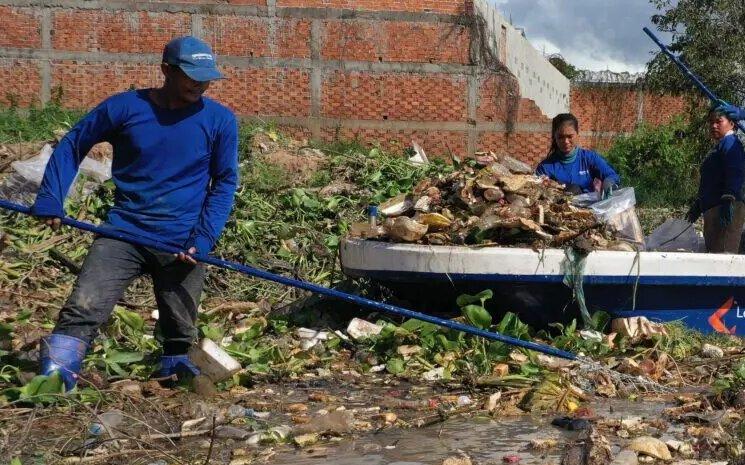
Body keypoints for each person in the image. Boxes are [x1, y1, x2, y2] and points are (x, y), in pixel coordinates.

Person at [31, 36, 239, 390]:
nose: (199, 84)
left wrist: (203, 238)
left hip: (181, 240)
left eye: (205, 77)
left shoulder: (220, 120)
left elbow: (224, 182)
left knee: (180, 328)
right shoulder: (125, 108)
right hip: (123, 233)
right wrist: (51, 197)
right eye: (191, 76)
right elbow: (73, 144)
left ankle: (171, 379)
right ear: (166, 70)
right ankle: (52, 383)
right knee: (83, 306)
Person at [686, 107, 745, 253]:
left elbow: (735, 171)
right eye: (711, 122)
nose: (713, 126)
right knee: (714, 255)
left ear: (732, 124)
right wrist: (700, 203)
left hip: (726, 208)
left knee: (723, 257)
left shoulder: (730, 143)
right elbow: (712, 181)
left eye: (719, 121)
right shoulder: (719, 147)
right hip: (714, 208)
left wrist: (729, 196)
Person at [536, 113, 621, 197]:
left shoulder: (589, 158)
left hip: (589, 209)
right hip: (558, 208)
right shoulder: (545, 167)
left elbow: (612, 175)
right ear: (554, 137)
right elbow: (537, 191)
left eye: (570, 136)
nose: (566, 141)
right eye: (560, 137)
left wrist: (608, 182)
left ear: (577, 135)